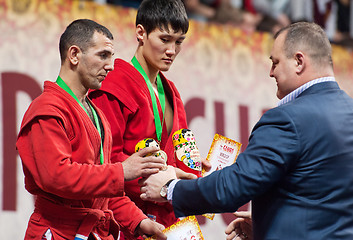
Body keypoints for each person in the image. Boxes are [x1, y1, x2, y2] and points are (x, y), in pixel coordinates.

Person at [140, 21, 353, 239]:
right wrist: (266, 222)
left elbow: (235, 186)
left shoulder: (288, 118)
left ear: (299, 61)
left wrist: (170, 189)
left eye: (275, 62)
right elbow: (319, 195)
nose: (271, 73)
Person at [16, 19, 167, 240]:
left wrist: (139, 221)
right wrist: (122, 171)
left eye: (112, 57)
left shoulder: (97, 115)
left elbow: (104, 191)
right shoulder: (47, 108)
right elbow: (57, 176)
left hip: (92, 231)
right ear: (74, 55)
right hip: (57, 231)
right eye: (103, 55)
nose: (111, 66)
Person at [89, 1, 209, 239]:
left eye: (179, 41)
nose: (172, 50)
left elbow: (179, 152)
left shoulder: (171, 91)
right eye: (164, 39)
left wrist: (193, 169)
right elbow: (102, 164)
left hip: (166, 223)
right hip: (125, 222)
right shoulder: (113, 86)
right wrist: (163, 176)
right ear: (141, 33)